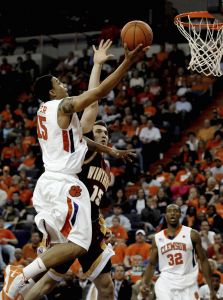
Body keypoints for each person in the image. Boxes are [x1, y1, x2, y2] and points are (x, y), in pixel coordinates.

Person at [4, 40, 148, 300]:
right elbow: (95, 97)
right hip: (64, 185)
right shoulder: (62, 106)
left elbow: (82, 136)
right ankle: (21, 275)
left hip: (54, 184)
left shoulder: (50, 113)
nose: (64, 85)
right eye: (59, 83)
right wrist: (127, 62)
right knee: (76, 246)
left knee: (65, 258)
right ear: (51, 92)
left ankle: (22, 282)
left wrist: (111, 152)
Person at [141, 204, 217, 300]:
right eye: (169, 211)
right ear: (165, 215)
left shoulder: (192, 234)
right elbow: (152, 264)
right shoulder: (157, 238)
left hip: (188, 282)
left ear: (180, 214)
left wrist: (211, 288)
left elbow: (203, 260)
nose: (172, 213)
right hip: (166, 282)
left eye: (176, 211)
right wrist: (144, 284)